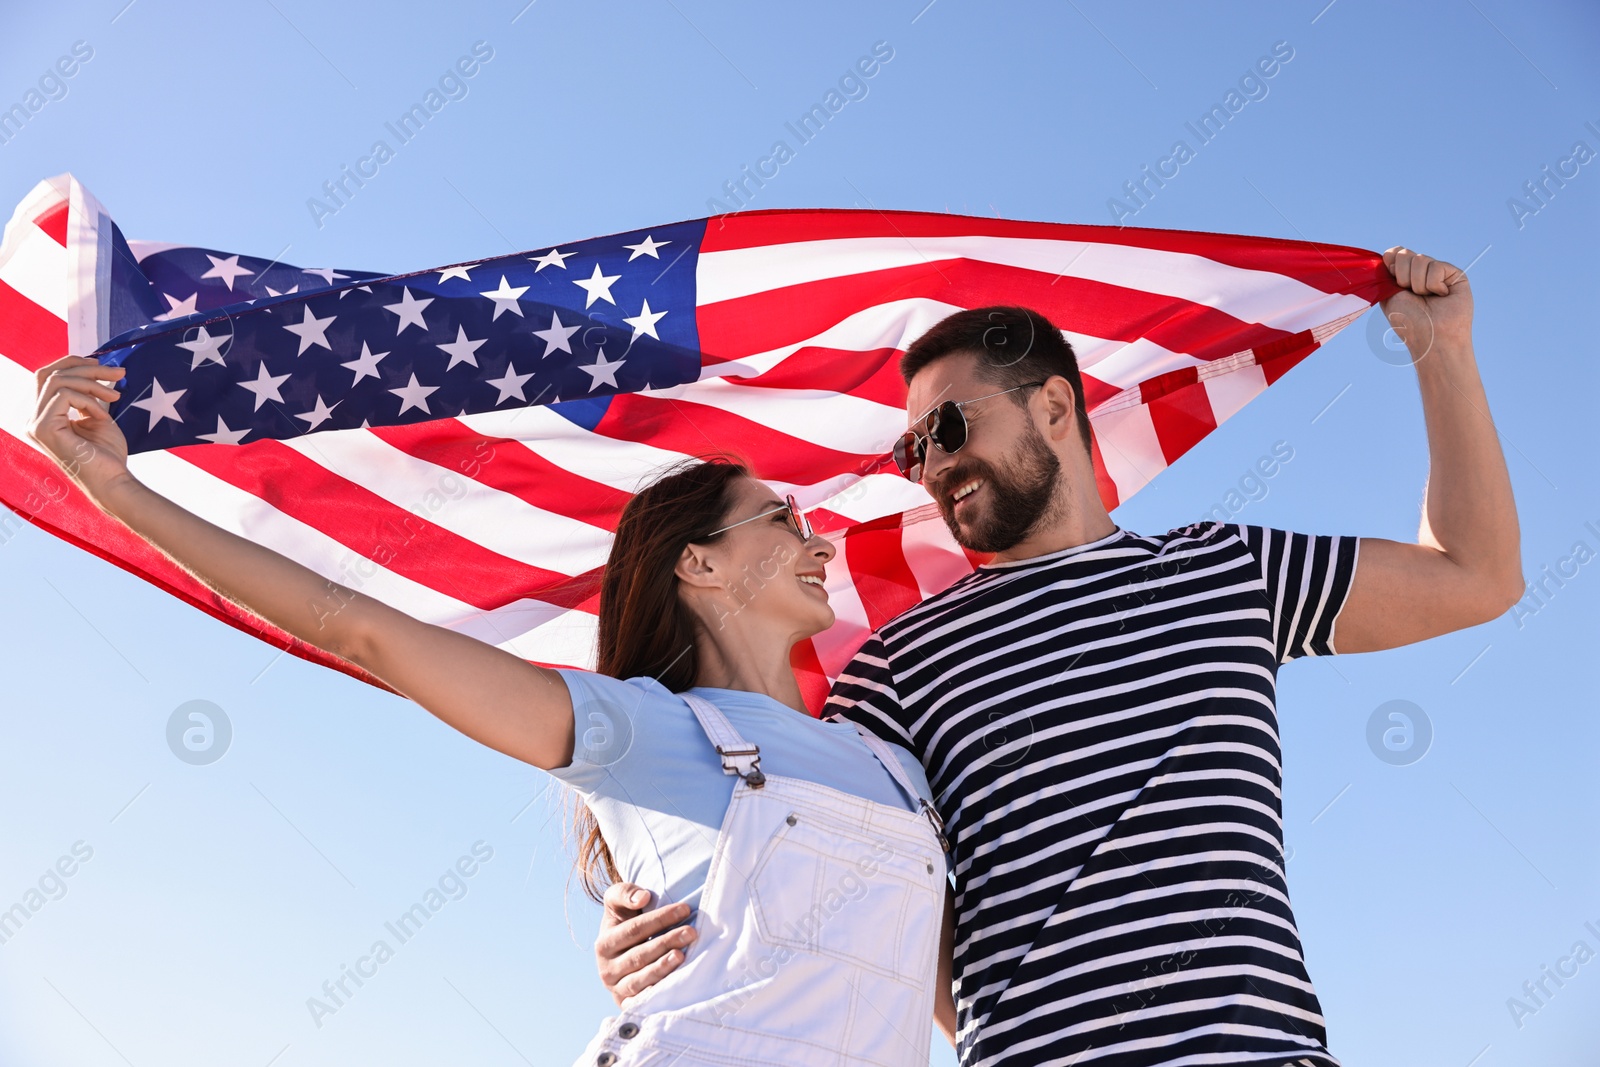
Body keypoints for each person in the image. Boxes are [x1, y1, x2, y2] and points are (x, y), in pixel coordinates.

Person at [595, 247, 1525, 1066]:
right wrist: (644, 921)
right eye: (914, 450)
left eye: (950, 429)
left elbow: (1477, 576)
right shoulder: (898, 665)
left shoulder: (1228, 568)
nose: (932, 467)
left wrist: (1443, 353)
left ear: (1051, 406)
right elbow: (790, 850)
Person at [26, 360, 960, 1066]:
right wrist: (113, 486)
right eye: (783, 518)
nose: (820, 542)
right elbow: (364, 631)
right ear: (699, 563)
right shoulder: (634, 729)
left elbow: (952, 983)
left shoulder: (896, 764)